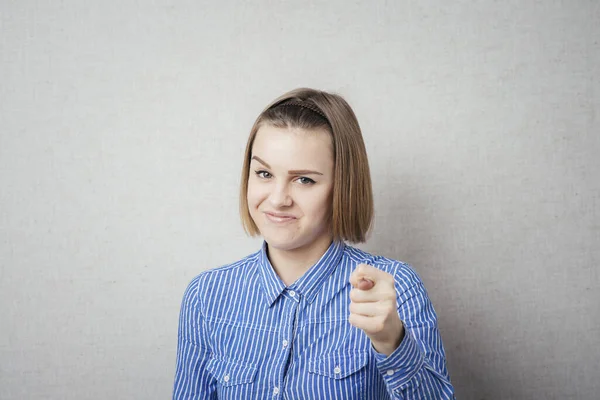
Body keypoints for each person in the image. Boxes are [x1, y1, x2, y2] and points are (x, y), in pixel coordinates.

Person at [173, 88, 455, 399]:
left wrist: (393, 342)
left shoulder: (395, 288)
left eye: (304, 179)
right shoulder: (206, 295)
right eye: (264, 173)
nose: (278, 199)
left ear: (342, 186)